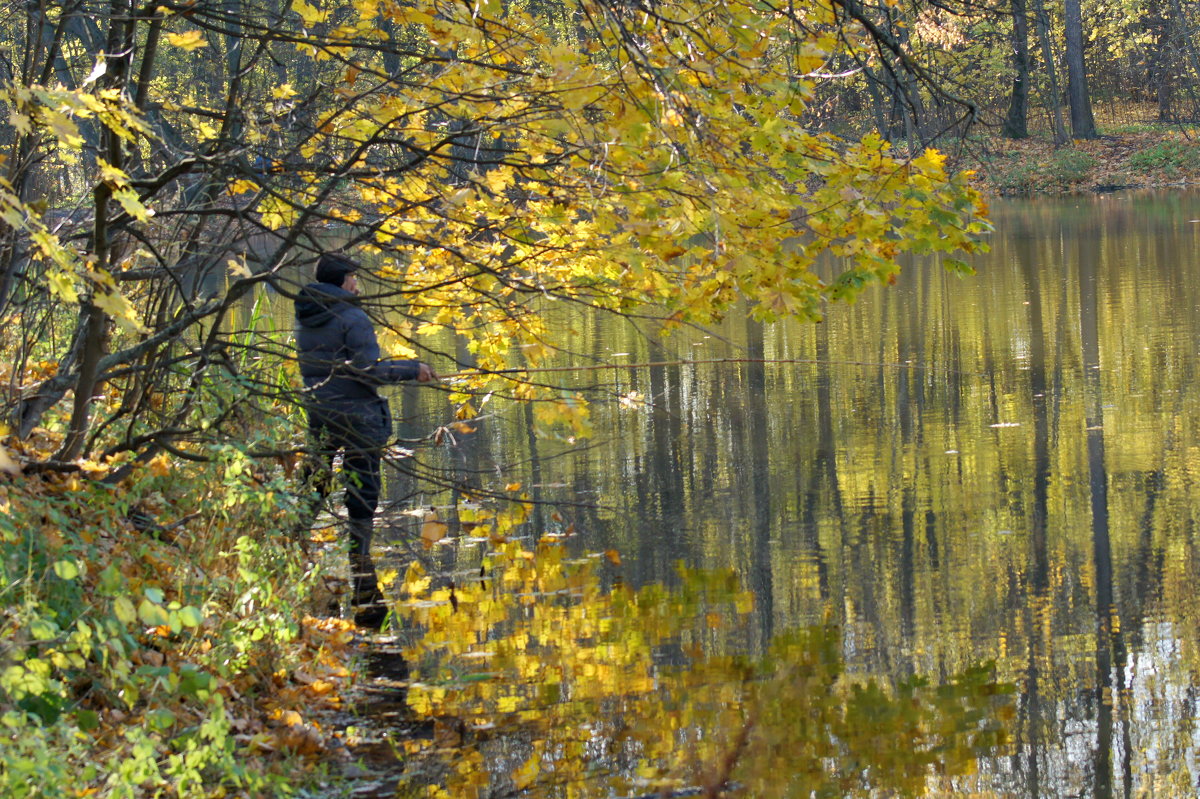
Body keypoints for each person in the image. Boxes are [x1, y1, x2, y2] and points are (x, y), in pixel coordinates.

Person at [294, 253, 437, 628]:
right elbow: (366, 371)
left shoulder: (307, 314)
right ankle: (359, 556)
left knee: (317, 477)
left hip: (321, 410)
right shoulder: (350, 315)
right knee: (364, 487)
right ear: (343, 280)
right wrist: (413, 369)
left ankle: (291, 538)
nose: (358, 286)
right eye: (354, 279)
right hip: (358, 414)